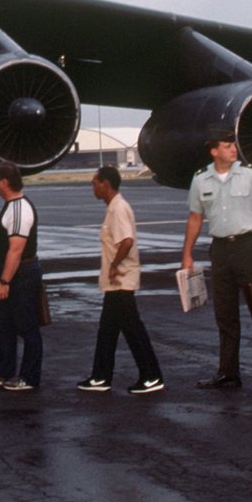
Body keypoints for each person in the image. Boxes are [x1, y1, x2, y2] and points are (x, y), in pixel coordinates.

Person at [180, 135, 252, 390]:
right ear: (214, 151)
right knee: (225, 314)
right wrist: (187, 253)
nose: (233, 150)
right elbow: (195, 217)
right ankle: (228, 372)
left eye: (233, 145)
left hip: (247, 246)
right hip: (220, 249)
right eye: (227, 147)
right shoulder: (200, 179)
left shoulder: (250, 174)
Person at [77, 167, 164, 394]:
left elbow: (126, 241)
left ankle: (151, 375)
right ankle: (101, 376)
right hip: (115, 283)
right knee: (107, 330)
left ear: (105, 184)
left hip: (122, 280)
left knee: (133, 330)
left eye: (95, 183)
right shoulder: (113, 208)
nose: (92, 187)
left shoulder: (118, 208)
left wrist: (114, 266)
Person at [0, 161, 43, 391]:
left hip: (20, 274)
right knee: (4, 323)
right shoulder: (12, 205)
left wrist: (4, 281)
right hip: (13, 273)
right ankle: (4, 370)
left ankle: (29, 376)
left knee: (27, 326)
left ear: (4, 182)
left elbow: (16, 250)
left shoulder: (18, 209)